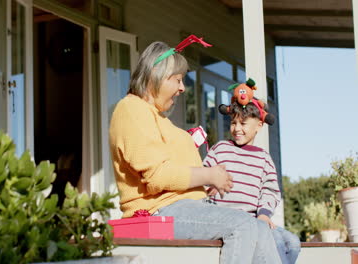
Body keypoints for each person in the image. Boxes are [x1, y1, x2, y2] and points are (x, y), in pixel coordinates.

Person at [109, 37, 282, 264]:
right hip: (160, 211)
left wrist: (206, 185)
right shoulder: (131, 109)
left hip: (186, 208)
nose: (182, 88)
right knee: (243, 225)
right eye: (178, 80)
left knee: (261, 229)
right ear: (157, 77)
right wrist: (210, 175)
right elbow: (156, 177)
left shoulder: (158, 119)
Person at [203, 81, 301, 264]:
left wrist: (264, 215)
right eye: (233, 122)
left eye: (243, 123)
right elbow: (205, 174)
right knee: (276, 243)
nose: (237, 129)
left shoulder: (263, 158)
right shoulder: (221, 149)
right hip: (226, 220)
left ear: (259, 126)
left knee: (293, 243)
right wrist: (208, 185)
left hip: (255, 220)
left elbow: (270, 190)